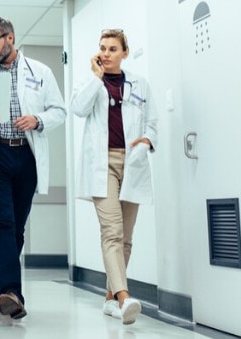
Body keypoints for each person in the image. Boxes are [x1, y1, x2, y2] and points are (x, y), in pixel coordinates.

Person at [0, 16, 66, 319]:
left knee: (16, 227)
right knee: (3, 223)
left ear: (10, 38)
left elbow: (60, 110)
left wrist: (38, 120)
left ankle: (2, 293)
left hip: (26, 155)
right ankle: (11, 291)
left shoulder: (39, 72)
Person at [70, 29, 158, 325]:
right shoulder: (91, 83)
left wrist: (147, 140)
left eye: (112, 49)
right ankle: (124, 297)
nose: (106, 54)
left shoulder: (140, 84)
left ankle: (109, 298)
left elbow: (153, 122)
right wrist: (96, 78)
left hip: (131, 162)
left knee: (127, 239)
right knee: (112, 232)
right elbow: (78, 108)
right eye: (102, 49)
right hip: (102, 164)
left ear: (124, 53)